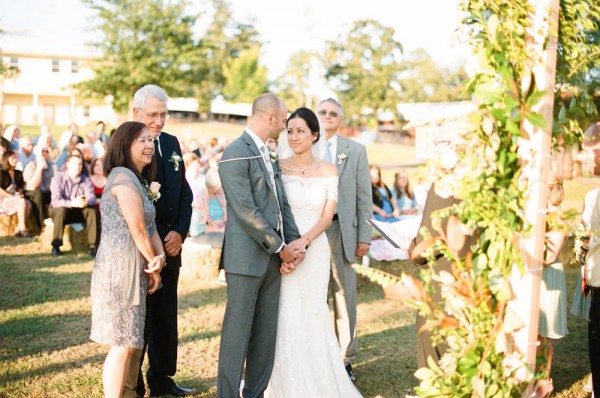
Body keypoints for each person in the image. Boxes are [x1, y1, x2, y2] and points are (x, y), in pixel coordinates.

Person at [264, 107, 362, 397]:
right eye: (290, 130)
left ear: (315, 134)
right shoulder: (278, 167)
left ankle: (320, 380)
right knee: (285, 312)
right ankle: (281, 382)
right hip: (284, 251)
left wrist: (303, 243)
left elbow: (327, 216)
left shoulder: (329, 171)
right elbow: (275, 211)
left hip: (314, 249)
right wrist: (285, 250)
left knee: (313, 311)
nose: (294, 136)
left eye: (300, 131)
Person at [217, 93, 304, 398]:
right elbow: (246, 212)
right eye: (282, 120)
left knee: (265, 335)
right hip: (245, 259)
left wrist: (294, 245)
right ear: (269, 118)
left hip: (273, 259)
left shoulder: (268, 152)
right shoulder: (234, 154)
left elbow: (281, 205)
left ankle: (255, 393)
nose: (284, 126)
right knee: (236, 334)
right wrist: (281, 247)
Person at [90, 121, 165, 398]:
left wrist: (159, 259)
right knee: (122, 344)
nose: (149, 145)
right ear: (125, 145)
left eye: (150, 140)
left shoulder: (137, 180)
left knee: (130, 342)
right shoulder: (122, 177)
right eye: (141, 141)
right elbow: (137, 227)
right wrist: (152, 260)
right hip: (120, 269)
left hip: (136, 268)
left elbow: (151, 226)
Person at [131, 84, 195, 397]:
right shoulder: (126, 146)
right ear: (136, 113)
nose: (158, 121)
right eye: (153, 114)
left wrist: (180, 232)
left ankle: (162, 380)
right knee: (139, 317)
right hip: (141, 249)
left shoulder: (171, 143)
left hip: (172, 246)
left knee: (166, 316)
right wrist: (154, 243)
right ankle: (133, 384)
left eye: (163, 114)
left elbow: (185, 191)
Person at [317, 98, 372, 382]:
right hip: (309, 231)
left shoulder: (356, 150)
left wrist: (364, 237)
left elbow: (364, 197)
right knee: (313, 294)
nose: (327, 116)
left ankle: (345, 359)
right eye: (322, 112)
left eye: (333, 113)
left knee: (343, 292)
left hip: (342, 230)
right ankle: (315, 354)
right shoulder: (302, 146)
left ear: (340, 119)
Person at [532, 172, 568, 398]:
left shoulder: (557, 217)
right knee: (533, 332)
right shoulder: (539, 214)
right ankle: (533, 377)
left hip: (548, 274)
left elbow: (549, 255)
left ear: (551, 190)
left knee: (543, 334)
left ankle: (545, 382)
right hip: (536, 274)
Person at [48, 155, 98, 256]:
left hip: (79, 210)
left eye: (80, 164)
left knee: (92, 210)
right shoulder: (58, 178)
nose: (78, 166)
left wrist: (86, 202)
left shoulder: (86, 180)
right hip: (62, 211)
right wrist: (72, 203)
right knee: (60, 210)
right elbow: (55, 201)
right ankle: (56, 246)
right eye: (74, 164)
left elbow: (92, 197)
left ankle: (93, 246)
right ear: (68, 165)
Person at [189, 168, 226, 248]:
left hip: (222, 231)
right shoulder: (199, 199)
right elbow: (196, 229)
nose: (220, 189)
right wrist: (219, 230)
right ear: (210, 186)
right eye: (218, 187)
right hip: (204, 234)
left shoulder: (221, 195)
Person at [23, 145, 56, 231]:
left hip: (47, 191)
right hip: (32, 192)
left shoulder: (52, 166)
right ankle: (42, 226)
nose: (44, 153)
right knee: (38, 194)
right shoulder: (30, 165)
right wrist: (39, 168)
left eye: (46, 151)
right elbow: (33, 186)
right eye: (42, 151)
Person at [0, 150, 32, 237]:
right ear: (6, 159)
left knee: (28, 204)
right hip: (4, 199)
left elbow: (20, 188)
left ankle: (19, 228)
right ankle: (23, 228)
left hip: (15, 197)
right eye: (13, 158)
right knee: (22, 202)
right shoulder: (2, 173)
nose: (15, 160)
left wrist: (19, 193)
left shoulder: (18, 173)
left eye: (16, 158)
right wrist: (11, 197)